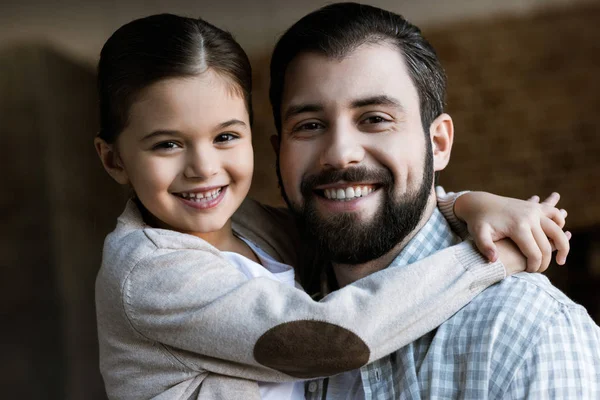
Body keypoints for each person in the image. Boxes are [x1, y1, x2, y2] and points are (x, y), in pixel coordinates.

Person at [93, 14, 570, 400]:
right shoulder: (148, 270)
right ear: (113, 158)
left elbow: (369, 207)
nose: (203, 167)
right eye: (167, 145)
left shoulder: (253, 228)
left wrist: (465, 204)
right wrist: (489, 259)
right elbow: (328, 339)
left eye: (225, 137)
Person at [266, 3, 600, 399]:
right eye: (309, 125)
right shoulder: (261, 306)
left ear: (438, 143)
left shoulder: (524, 331)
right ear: (278, 153)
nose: (340, 153)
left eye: (375, 118)